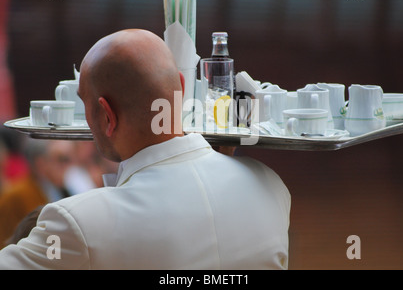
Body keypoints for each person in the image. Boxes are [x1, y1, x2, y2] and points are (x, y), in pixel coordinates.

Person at [0, 29, 291, 269]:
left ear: (107, 116)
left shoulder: (78, 223)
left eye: (84, 103)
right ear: (180, 85)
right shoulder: (271, 185)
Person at [0, 139, 75, 248]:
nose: (67, 166)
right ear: (40, 163)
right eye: (62, 159)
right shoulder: (16, 195)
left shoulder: (61, 190)